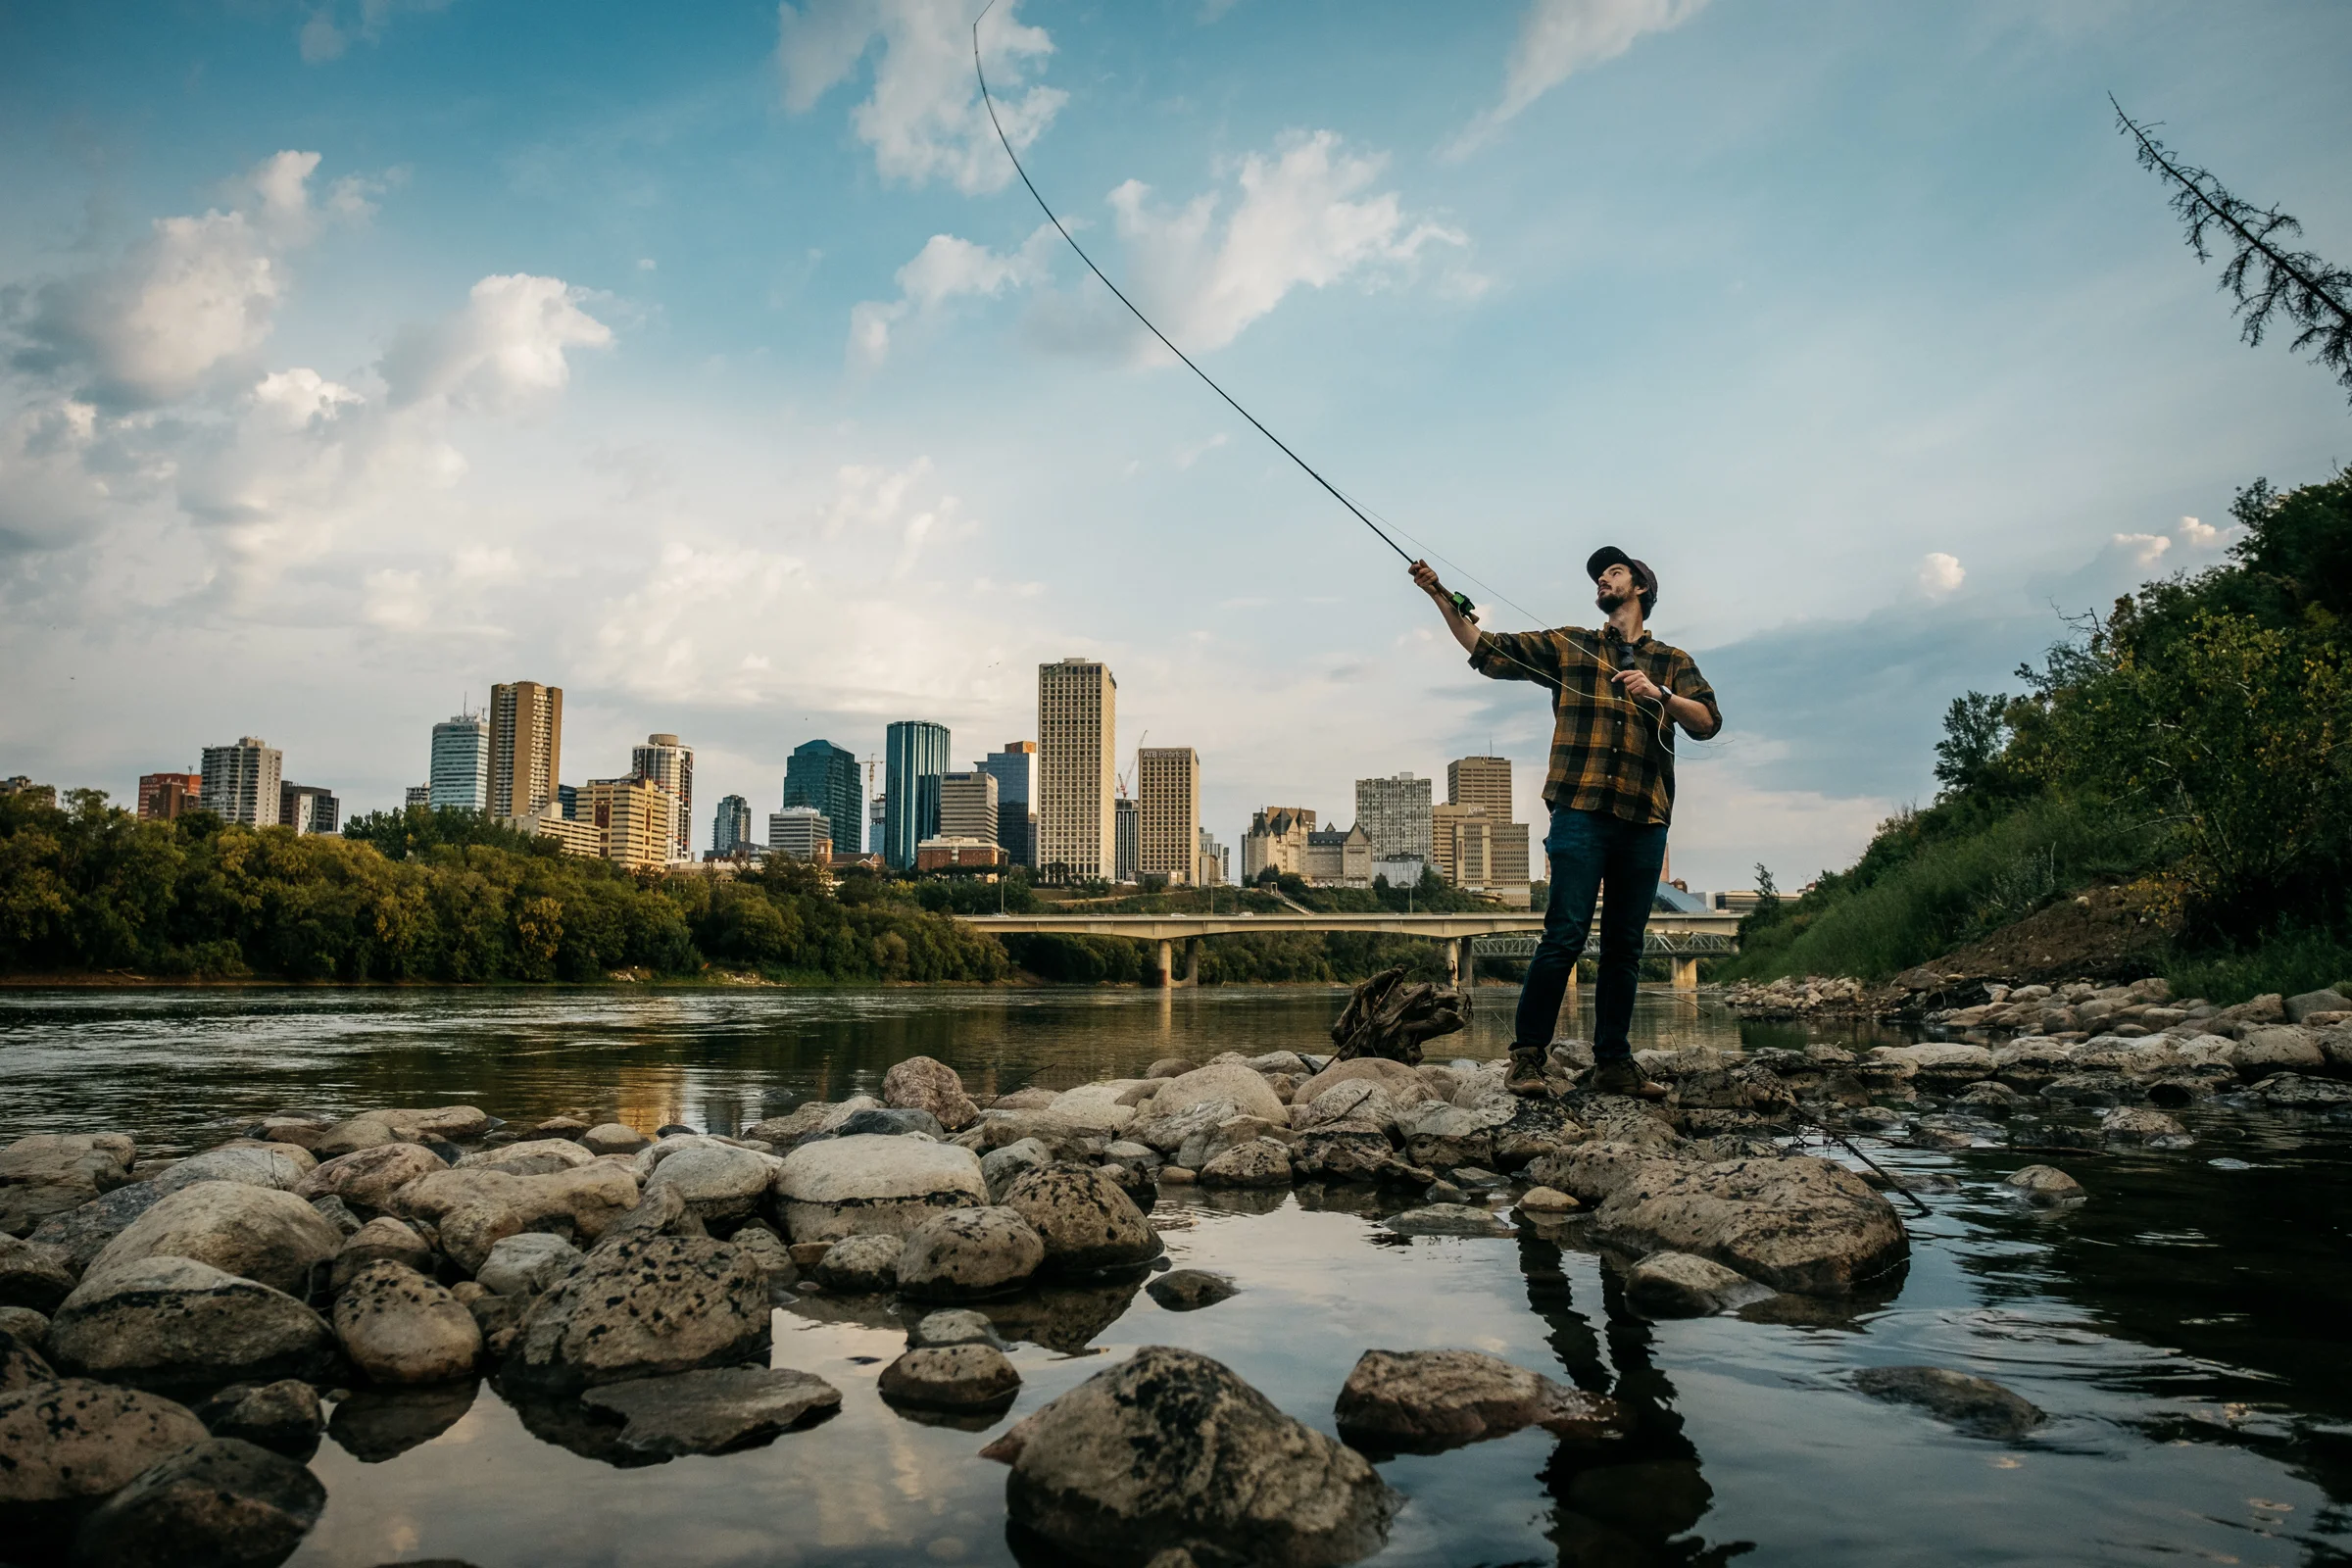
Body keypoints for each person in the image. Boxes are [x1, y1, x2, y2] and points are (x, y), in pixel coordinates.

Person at [1410, 548, 1721, 1099]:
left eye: (1615, 572)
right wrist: (1440, 594)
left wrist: (1661, 693)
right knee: (1564, 935)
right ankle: (1527, 1058)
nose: (1603, 578)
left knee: (1626, 946)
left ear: (1642, 588)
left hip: (1645, 818)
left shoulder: (1673, 660)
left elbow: (1708, 724)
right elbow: (1487, 649)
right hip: (1579, 810)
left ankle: (1614, 1063)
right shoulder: (1572, 645)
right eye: (1599, 575)